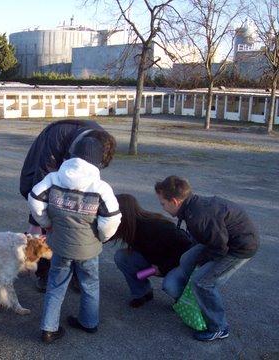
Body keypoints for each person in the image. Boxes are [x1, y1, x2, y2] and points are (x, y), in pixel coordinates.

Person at [28, 136, 121, 344]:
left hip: (60, 245)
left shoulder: (53, 179)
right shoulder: (100, 188)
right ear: (96, 161)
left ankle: (48, 329)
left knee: (56, 284)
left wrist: (47, 222)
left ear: (72, 156)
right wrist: (101, 237)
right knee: (90, 284)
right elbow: (112, 219)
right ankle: (89, 323)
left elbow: (34, 199)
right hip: (88, 249)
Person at [154, 175, 259, 342]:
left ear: (174, 201)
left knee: (202, 282)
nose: (163, 208)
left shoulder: (198, 217)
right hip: (222, 241)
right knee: (187, 258)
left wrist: (203, 265)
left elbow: (220, 248)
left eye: (163, 204)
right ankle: (186, 302)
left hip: (238, 249)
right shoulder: (191, 207)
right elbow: (210, 238)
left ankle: (219, 327)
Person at [20, 119, 116, 291]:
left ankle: (77, 273)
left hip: (67, 167)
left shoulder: (101, 142)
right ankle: (44, 272)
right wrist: (38, 222)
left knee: (75, 221)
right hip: (44, 168)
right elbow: (42, 176)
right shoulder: (58, 135)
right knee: (47, 224)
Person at [112, 194, 193, 308]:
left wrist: (162, 268)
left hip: (176, 264)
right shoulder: (128, 226)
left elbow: (186, 248)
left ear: (123, 213)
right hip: (155, 263)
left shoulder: (156, 226)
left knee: (169, 286)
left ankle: (186, 302)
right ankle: (143, 292)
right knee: (122, 257)